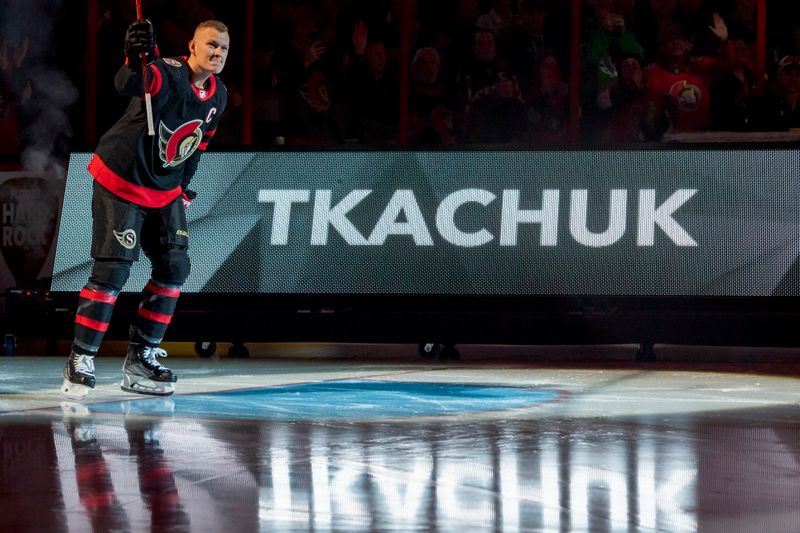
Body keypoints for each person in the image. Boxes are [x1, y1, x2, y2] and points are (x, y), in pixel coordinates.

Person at [60, 18, 229, 399]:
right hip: (122, 177)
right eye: (211, 45)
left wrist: (183, 188)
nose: (217, 53)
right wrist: (134, 57)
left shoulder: (219, 96)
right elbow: (129, 83)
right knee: (113, 269)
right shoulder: (168, 73)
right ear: (192, 46)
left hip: (165, 189)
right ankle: (81, 359)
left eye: (223, 48)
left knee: (175, 268)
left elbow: (197, 146)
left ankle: (141, 358)